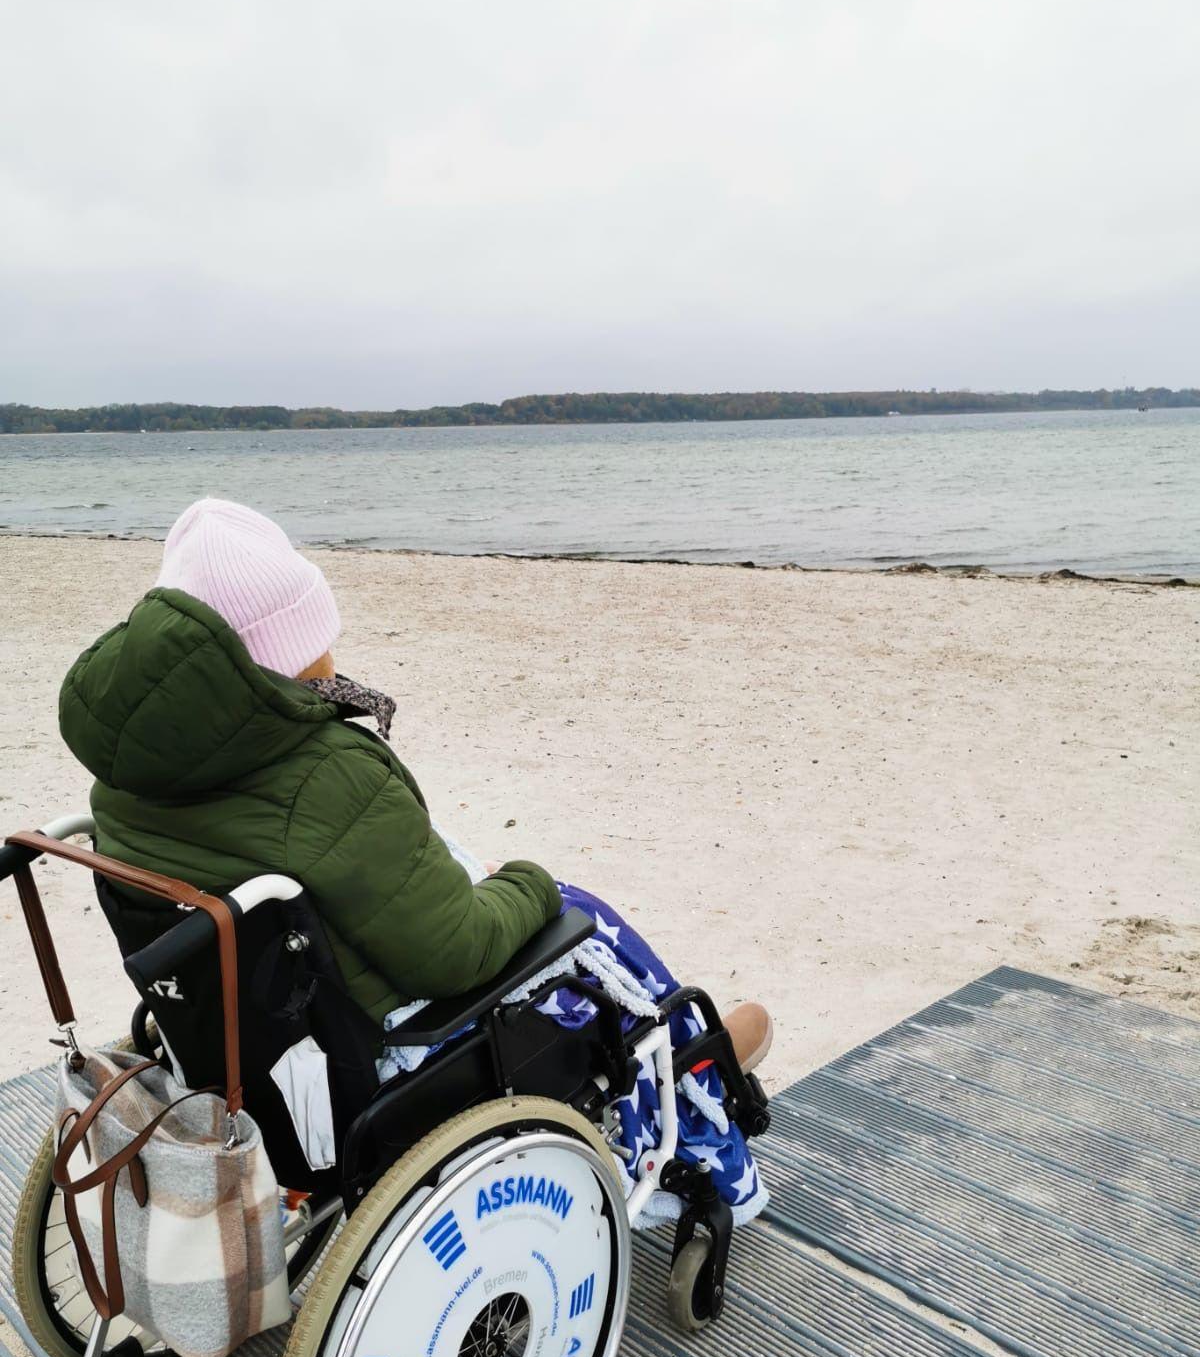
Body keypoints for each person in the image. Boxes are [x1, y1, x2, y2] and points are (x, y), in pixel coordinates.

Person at [59, 498, 769, 1221]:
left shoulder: (126, 781)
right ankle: (699, 1092)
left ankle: (692, 1066)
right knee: (580, 919)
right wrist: (526, 882)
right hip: (369, 1071)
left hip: (241, 1063)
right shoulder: (321, 773)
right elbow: (456, 953)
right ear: (278, 655)